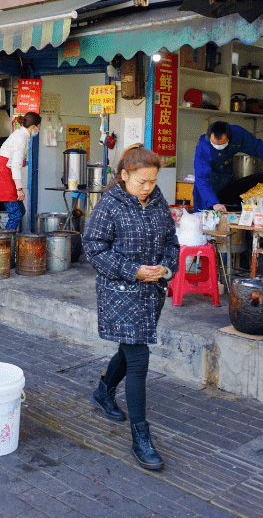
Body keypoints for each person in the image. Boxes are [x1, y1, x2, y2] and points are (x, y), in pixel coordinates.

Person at [82, 145, 179, 471]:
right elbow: (93, 248)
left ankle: (103, 391)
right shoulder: (109, 205)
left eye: (152, 181)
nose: (147, 187)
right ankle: (141, 435)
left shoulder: (157, 200)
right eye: (141, 181)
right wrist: (132, 270)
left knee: (129, 349)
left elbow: (171, 241)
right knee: (138, 357)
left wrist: (166, 268)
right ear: (124, 176)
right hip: (119, 292)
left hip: (152, 292)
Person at [193, 121, 263, 211]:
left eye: (222, 143)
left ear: (229, 137)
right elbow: (202, 178)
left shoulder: (237, 134)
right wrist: (213, 202)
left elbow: (258, 148)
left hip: (227, 181)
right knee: (206, 219)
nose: (218, 146)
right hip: (207, 189)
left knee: (232, 211)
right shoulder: (203, 147)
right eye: (215, 144)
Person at [0, 112, 41, 230]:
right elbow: (15, 165)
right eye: (39, 126)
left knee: (21, 211)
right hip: (4, 177)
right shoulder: (21, 139)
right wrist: (19, 189)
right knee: (16, 215)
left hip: (6, 175)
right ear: (33, 126)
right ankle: (4, 243)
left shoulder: (20, 134)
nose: (39, 129)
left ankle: (9, 240)